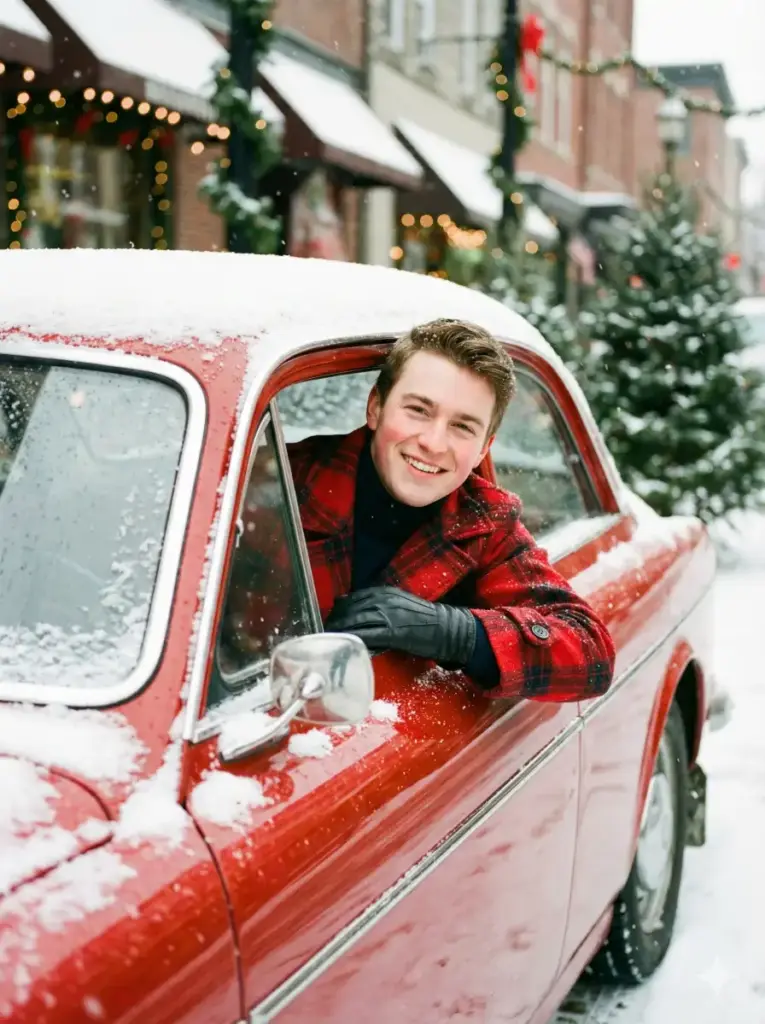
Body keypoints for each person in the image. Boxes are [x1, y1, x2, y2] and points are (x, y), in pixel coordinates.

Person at [288, 318, 615, 701]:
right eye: (419, 410)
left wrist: (453, 632)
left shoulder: (482, 523)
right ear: (375, 407)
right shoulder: (283, 479)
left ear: (483, 447)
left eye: (462, 427)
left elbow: (590, 654)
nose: (433, 442)